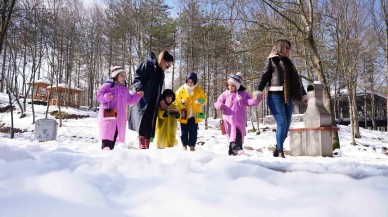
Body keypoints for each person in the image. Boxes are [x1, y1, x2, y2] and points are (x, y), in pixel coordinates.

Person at [253, 39, 308, 158]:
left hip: (289, 96)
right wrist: (258, 90)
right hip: (275, 96)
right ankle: (280, 150)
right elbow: (264, 76)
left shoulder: (291, 64)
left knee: (286, 125)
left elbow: (297, 81)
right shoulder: (272, 60)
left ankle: (278, 148)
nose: (289, 50)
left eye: (289, 48)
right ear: (281, 48)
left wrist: (303, 95)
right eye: (286, 47)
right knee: (282, 123)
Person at [128, 50, 174, 149]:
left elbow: (158, 88)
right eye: (168, 66)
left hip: (154, 102)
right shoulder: (147, 64)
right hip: (143, 100)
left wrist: (161, 99)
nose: (168, 68)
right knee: (143, 121)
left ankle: (147, 145)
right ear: (162, 61)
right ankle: (141, 144)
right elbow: (137, 77)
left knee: (150, 122)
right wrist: (139, 88)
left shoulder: (161, 73)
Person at [214, 72, 262, 156]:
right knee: (232, 134)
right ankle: (237, 149)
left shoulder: (243, 94)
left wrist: (256, 99)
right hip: (229, 118)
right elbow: (218, 102)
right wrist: (221, 106)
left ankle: (233, 151)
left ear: (237, 86)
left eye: (233, 86)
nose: (230, 87)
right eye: (229, 85)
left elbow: (249, 102)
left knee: (239, 134)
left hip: (240, 119)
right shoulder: (225, 94)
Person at [97, 66, 143, 150]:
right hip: (108, 116)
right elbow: (98, 96)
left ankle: (110, 152)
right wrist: (106, 97)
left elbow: (130, 100)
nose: (124, 78)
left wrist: (137, 95)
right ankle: (105, 153)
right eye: (122, 75)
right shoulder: (107, 86)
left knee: (114, 135)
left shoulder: (124, 89)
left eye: (125, 76)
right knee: (107, 135)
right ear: (116, 75)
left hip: (119, 117)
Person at [175, 72, 207, 151]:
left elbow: (205, 99)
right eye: (188, 82)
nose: (190, 84)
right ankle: (184, 145)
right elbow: (176, 99)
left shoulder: (199, 89)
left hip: (195, 114)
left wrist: (198, 101)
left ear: (195, 82)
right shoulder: (182, 89)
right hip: (184, 112)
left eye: (191, 82)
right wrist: (182, 102)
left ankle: (192, 146)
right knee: (184, 131)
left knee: (193, 131)